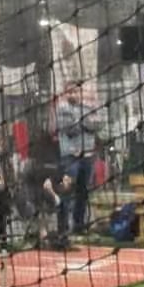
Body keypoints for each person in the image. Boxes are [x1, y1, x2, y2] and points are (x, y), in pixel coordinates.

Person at [54, 83, 99, 243]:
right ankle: (63, 229)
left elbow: (96, 125)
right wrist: (83, 120)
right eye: (70, 92)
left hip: (87, 155)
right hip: (70, 156)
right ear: (66, 94)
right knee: (66, 191)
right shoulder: (62, 109)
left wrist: (79, 120)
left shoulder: (88, 107)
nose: (73, 95)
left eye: (76, 91)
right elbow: (70, 129)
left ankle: (79, 225)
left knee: (83, 191)